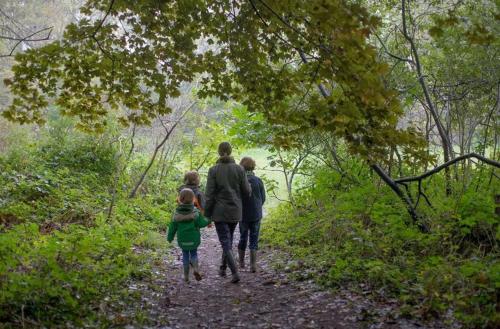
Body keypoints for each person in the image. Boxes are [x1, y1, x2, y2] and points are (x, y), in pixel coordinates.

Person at [205, 142, 251, 283]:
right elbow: (247, 191)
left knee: (226, 241)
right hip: (235, 210)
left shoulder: (213, 170)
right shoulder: (239, 169)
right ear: (230, 152)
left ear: (219, 152)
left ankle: (235, 272)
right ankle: (223, 268)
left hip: (220, 211)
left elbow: (209, 194)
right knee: (228, 239)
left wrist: (207, 213)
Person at [167, 188, 211, 283]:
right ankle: (195, 269)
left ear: (180, 199)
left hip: (183, 239)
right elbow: (201, 223)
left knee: (185, 255)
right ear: (193, 199)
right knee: (194, 254)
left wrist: (170, 237)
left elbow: (172, 228)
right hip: (194, 238)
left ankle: (186, 276)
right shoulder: (196, 212)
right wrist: (209, 220)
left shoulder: (176, 214)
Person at [237, 157, 266, 273]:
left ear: (241, 167)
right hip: (256, 214)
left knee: (243, 237)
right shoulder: (258, 181)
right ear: (253, 167)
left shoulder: (239, 181)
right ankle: (253, 265)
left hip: (243, 215)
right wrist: (257, 207)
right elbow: (263, 198)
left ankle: (241, 263)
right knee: (254, 238)